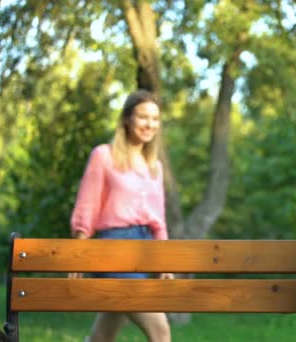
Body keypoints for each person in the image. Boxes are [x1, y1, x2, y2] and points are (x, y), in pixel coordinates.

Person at [69, 89, 173, 342]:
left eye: (155, 119)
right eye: (143, 117)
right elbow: (87, 206)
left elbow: (158, 220)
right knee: (160, 329)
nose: (150, 124)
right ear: (127, 119)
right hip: (112, 250)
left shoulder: (154, 167)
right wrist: (76, 257)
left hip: (145, 251)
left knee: (104, 334)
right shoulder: (104, 155)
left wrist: (165, 260)